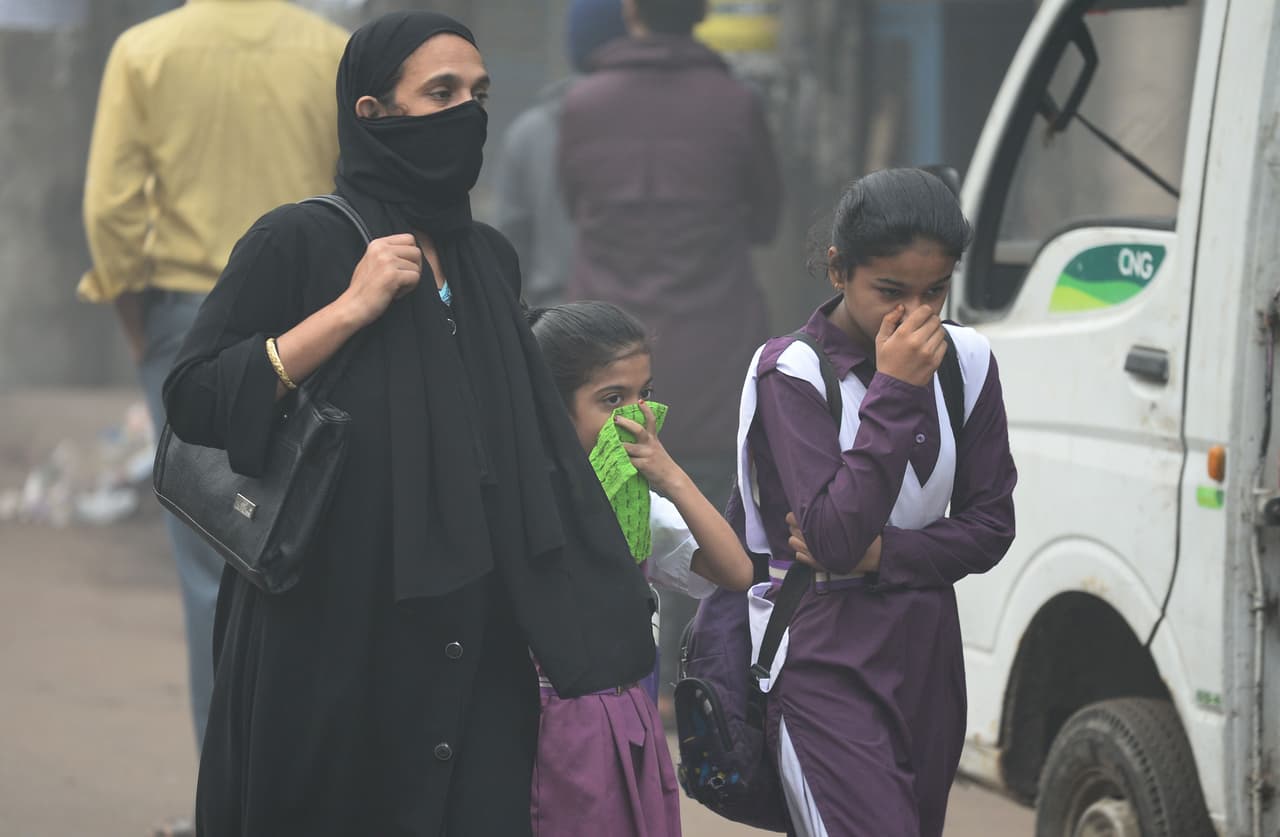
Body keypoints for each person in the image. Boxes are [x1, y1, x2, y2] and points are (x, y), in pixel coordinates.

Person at [162, 13, 656, 836]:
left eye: (479, 93)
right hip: (332, 625)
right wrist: (351, 307)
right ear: (371, 113)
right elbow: (197, 396)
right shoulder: (301, 239)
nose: (469, 112)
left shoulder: (484, 259)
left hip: (472, 631)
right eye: (441, 92)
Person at [78, 0, 346, 801]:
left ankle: (231, 794)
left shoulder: (146, 51)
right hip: (322, 316)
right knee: (323, 538)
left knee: (213, 556)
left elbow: (111, 210)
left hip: (190, 317)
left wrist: (137, 321)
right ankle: (321, 785)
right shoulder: (333, 49)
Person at [737, 169, 1017, 836]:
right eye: (889, 291)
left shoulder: (969, 361)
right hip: (823, 648)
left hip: (926, 651)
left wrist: (886, 553)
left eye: (935, 292)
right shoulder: (792, 371)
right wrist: (892, 387)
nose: (914, 315)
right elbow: (833, 540)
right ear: (838, 269)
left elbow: (992, 526)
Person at [559, 0, 784, 703]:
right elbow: (768, 215)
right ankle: (696, 684)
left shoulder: (584, 103)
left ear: (629, 11)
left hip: (601, 351)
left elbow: (573, 204)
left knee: (601, 505)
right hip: (715, 340)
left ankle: (619, 681)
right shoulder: (735, 103)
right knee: (708, 511)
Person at [527, 301, 754, 836]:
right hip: (543, 731)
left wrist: (671, 475)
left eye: (644, 394)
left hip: (628, 719)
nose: (636, 417)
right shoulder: (523, 503)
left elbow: (736, 571)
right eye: (612, 399)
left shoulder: (637, 502)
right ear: (551, 408)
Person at [490, 0, 627, 308]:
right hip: (663, 327)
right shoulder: (681, 123)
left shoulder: (531, 131)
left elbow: (508, 249)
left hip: (559, 324)